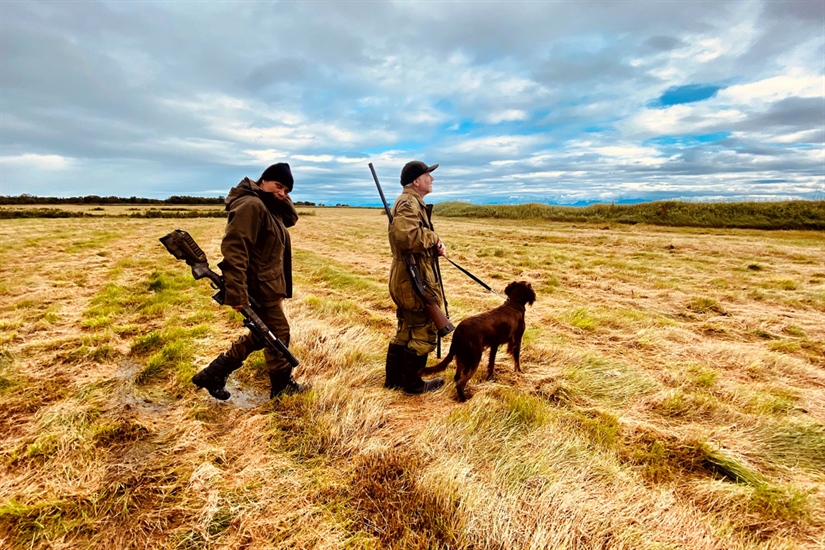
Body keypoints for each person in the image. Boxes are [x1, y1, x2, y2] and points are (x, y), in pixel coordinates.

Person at [192, 162, 307, 400]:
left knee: (262, 333)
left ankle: (213, 373)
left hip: (268, 284)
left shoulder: (268, 206)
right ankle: (281, 386)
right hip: (259, 286)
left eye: (287, 191)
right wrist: (237, 293)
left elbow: (291, 218)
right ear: (262, 181)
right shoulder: (252, 205)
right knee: (278, 334)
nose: (283, 193)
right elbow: (235, 249)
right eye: (279, 186)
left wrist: (278, 196)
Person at [384, 160, 448, 394]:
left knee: (407, 328)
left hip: (406, 275)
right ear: (416, 181)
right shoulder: (409, 203)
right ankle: (413, 383)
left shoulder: (410, 202)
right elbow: (407, 238)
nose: (432, 179)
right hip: (413, 278)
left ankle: (394, 380)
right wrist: (433, 238)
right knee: (423, 330)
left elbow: (411, 239)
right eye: (428, 175)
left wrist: (434, 245)